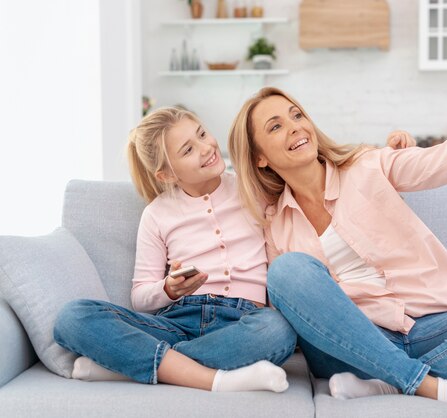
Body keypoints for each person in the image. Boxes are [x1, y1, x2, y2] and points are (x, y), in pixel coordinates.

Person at [227, 54, 447, 402]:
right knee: (288, 272)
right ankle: (432, 384)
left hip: (433, 326)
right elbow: (289, 307)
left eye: (297, 115)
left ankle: (389, 381)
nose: (295, 127)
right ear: (259, 158)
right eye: (275, 126)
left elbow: (446, 160)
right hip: (350, 343)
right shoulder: (274, 224)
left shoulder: (368, 164)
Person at [53, 107, 299, 393]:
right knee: (73, 316)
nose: (207, 148)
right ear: (166, 174)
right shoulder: (157, 214)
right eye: (188, 150)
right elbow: (140, 298)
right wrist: (169, 289)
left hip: (244, 322)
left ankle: (137, 365)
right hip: (176, 323)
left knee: (278, 330)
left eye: (203, 134)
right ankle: (210, 378)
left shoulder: (252, 188)